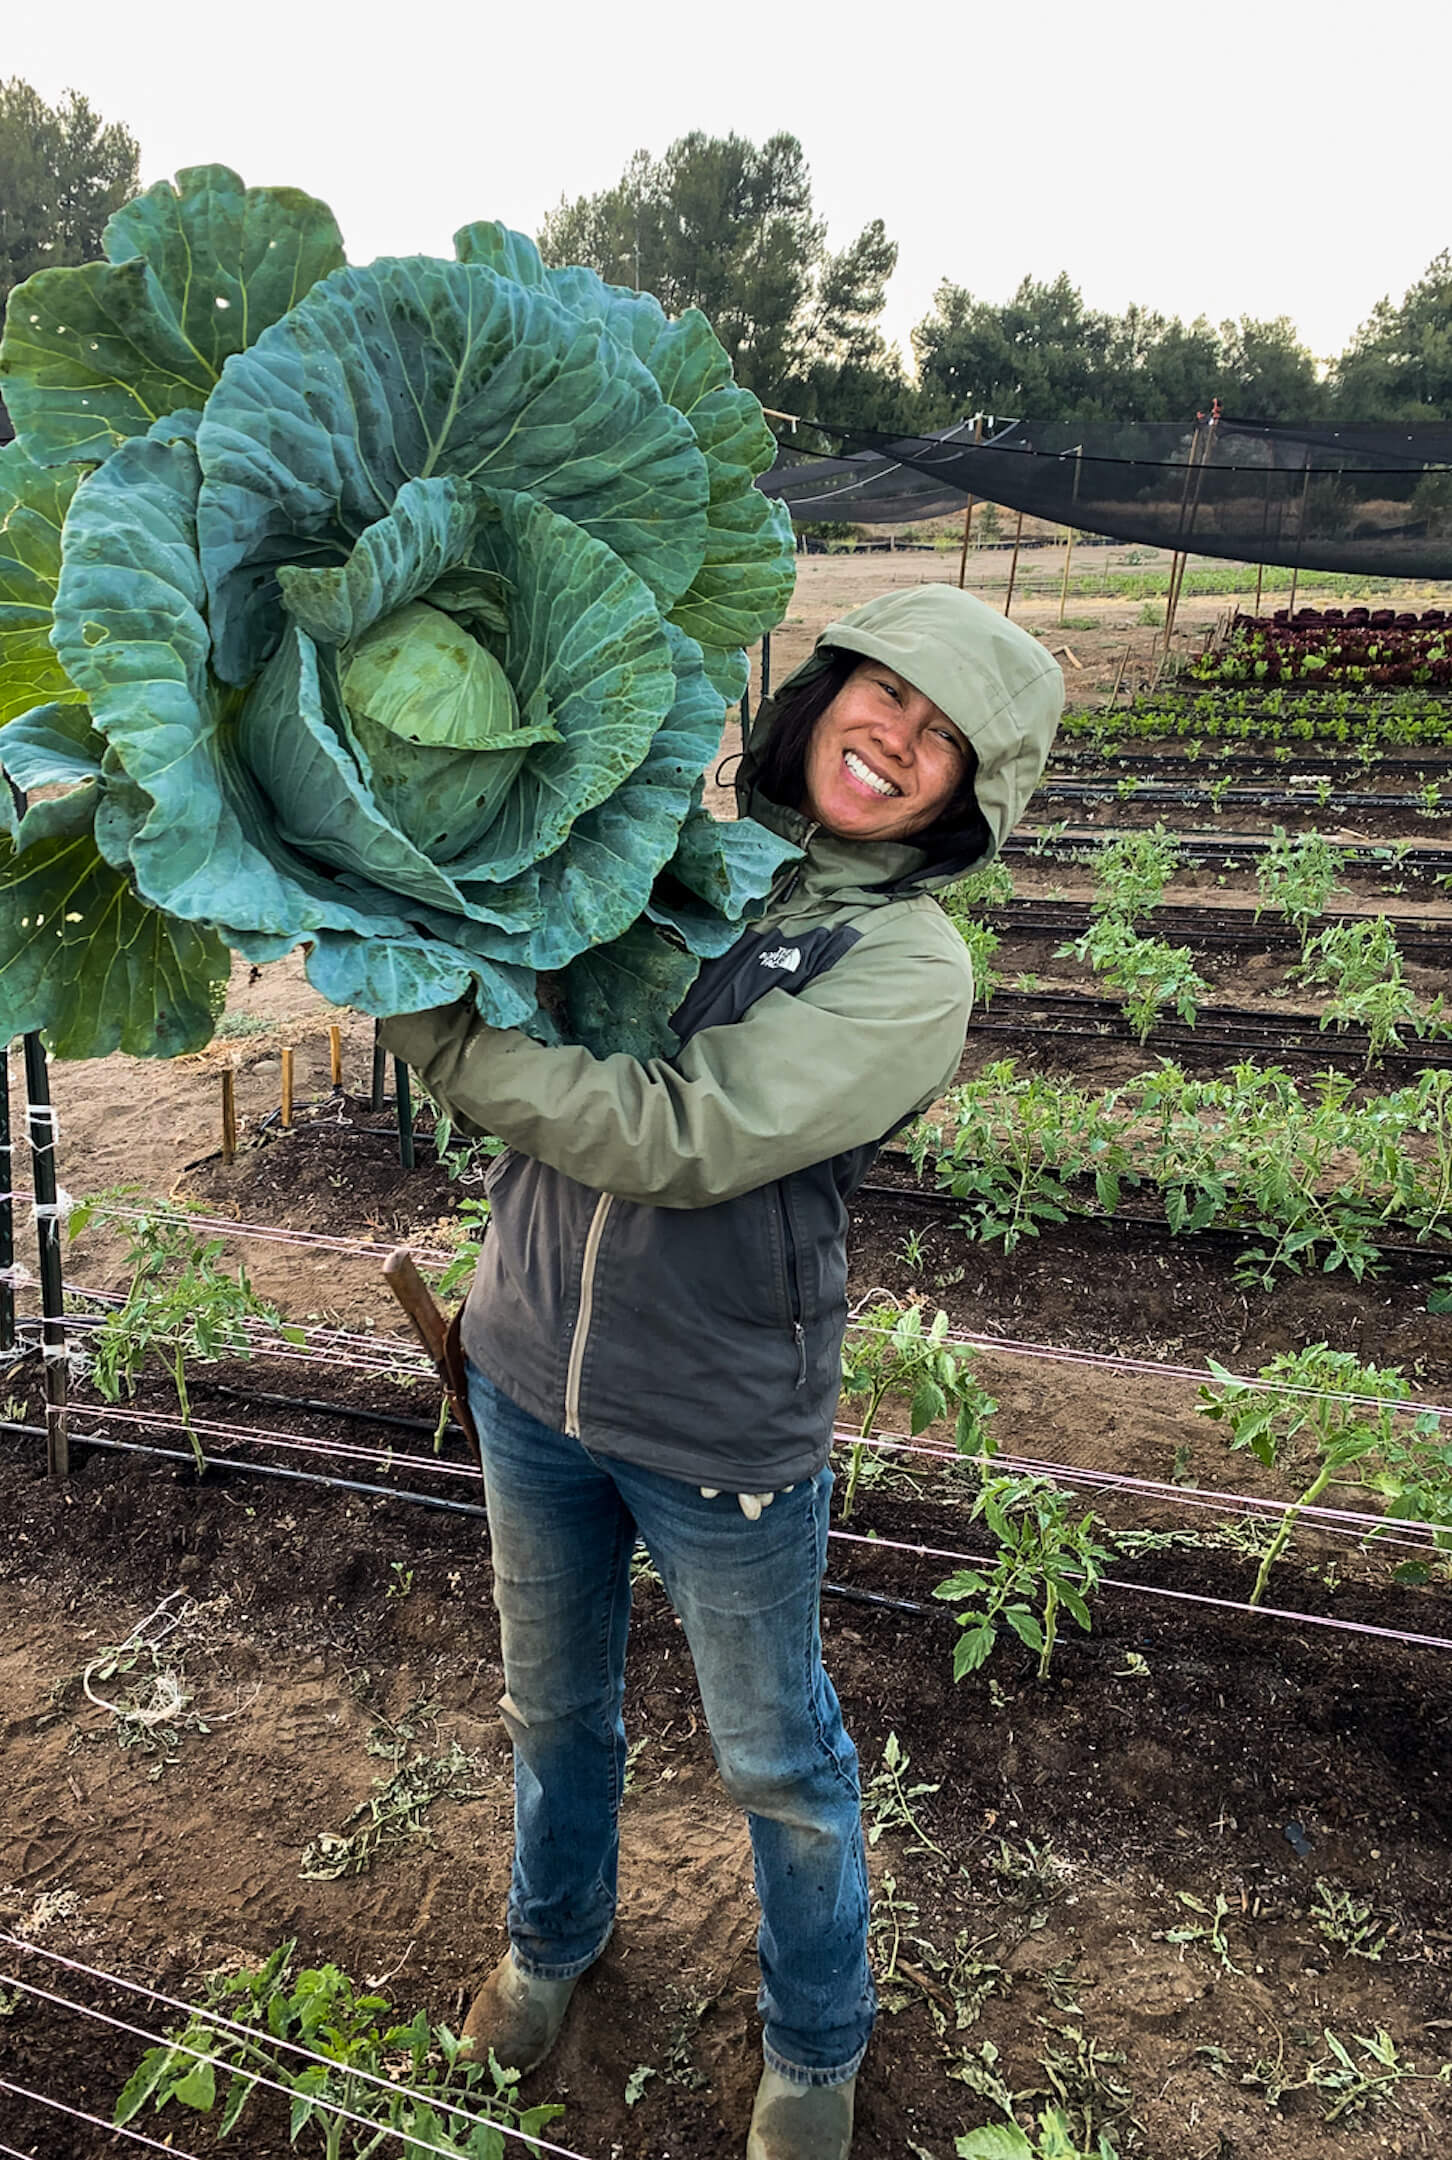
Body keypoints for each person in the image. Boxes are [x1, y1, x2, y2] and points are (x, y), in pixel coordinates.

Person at [378, 584, 1063, 2160]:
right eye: (884, 693)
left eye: (945, 737)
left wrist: (438, 1036)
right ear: (822, 693)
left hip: (718, 1427)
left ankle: (816, 2043)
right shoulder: (678, 852)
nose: (895, 739)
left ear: (969, 797)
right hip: (527, 1370)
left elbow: (679, 1136)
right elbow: (532, 988)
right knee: (552, 1712)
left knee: (777, 1764)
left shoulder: (907, 967)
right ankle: (550, 1948)